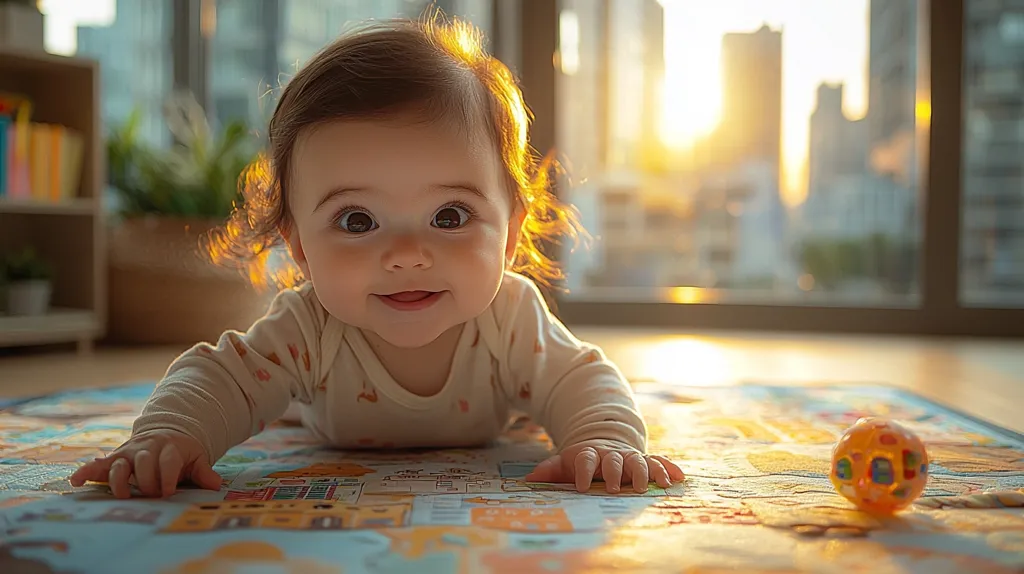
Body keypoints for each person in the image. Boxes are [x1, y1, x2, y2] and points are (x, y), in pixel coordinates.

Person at [70, 15, 684, 499]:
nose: (408, 255)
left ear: (513, 230)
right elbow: (218, 376)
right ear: (301, 247)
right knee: (257, 398)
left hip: (499, 424)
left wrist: (602, 439)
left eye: (450, 216)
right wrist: (166, 439)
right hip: (315, 424)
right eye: (357, 221)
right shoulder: (308, 327)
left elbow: (582, 378)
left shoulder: (511, 315)